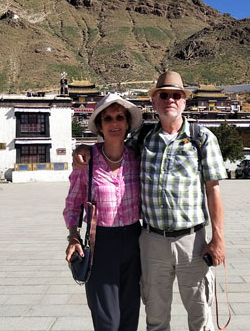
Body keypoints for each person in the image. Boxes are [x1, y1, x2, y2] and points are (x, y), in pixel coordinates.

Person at [74, 71, 227, 331]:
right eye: (163, 95)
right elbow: (113, 141)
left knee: (200, 315)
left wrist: (218, 239)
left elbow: (213, 190)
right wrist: (85, 148)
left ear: (184, 101)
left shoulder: (202, 138)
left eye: (176, 95)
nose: (170, 99)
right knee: (156, 317)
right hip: (152, 241)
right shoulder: (142, 138)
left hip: (192, 240)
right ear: (154, 102)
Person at [64, 93, 143, 331]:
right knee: (107, 320)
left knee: (129, 315)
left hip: (134, 241)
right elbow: (73, 202)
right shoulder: (87, 161)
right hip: (101, 242)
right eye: (107, 118)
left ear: (127, 123)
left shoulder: (137, 158)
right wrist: (73, 236)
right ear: (99, 126)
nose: (114, 123)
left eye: (120, 117)